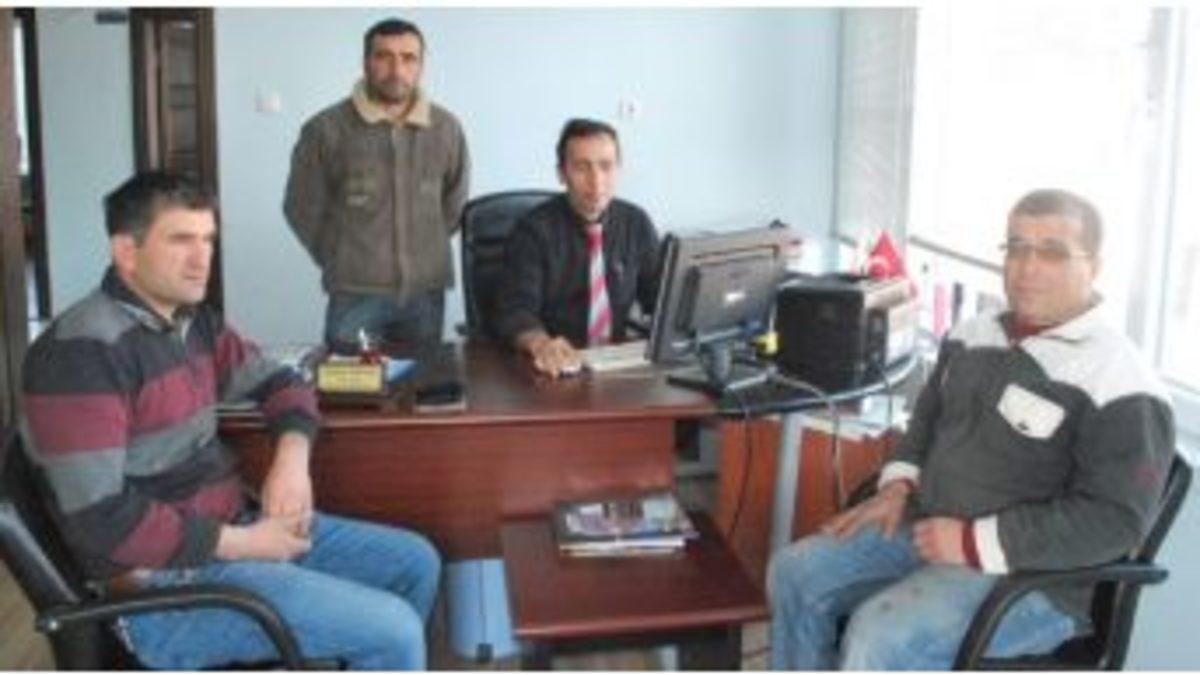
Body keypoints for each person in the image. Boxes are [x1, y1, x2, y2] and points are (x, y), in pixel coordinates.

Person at [21, 172, 441, 670]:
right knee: (393, 630)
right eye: (181, 240)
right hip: (164, 591)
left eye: (208, 240)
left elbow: (280, 380)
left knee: (415, 562)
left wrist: (291, 460)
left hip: (232, 532)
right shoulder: (81, 354)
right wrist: (244, 545)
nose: (201, 259)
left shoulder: (191, 322)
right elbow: (102, 518)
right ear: (127, 252)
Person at [768, 188, 1175, 669]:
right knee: (794, 574)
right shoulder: (973, 334)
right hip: (926, 526)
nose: (1027, 268)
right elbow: (925, 424)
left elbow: (1112, 521)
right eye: (1017, 247)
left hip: (1028, 577)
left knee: (880, 636)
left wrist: (970, 542)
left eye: (1052, 252)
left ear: (1095, 266)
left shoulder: (1121, 382)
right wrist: (898, 487)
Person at [285, 18, 470, 354]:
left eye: (408, 58)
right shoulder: (325, 129)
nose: (396, 69)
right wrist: (339, 256)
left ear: (421, 65)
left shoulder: (446, 128)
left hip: (425, 295)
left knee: (420, 381)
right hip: (354, 295)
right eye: (384, 56)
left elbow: (455, 202)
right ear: (365, 62)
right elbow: (301, 206)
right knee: (352, 386)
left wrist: (425, 246)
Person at [494, 118, 660, 377]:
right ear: (562, 173)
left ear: (619, 169)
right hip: (555, 371)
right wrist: (540, 343)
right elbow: (515, 310)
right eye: (582, 168)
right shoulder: (533, 231)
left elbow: (659, 297)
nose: (596, 181)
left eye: (606, 166)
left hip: (615, 367)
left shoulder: (636, 223)